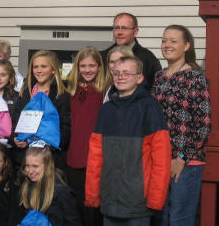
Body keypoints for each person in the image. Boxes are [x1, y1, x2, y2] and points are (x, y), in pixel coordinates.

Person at [86, 56, 171, 226]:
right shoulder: (106, 110)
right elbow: (95, 157)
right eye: (116, 73)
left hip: (138, 201)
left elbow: (161, 159)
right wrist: (92, 195)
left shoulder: (150, 107)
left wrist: (156, 199)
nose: (121, 77)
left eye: (126, 73)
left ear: (139, 78)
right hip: (110, 198)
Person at [152, 25, 211, 226]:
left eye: (173, 41)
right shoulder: (159, 77)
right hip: (160, 159)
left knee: (179, 218)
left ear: (186, 46)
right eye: (164, 40)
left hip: (186, 162)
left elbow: (203, 125)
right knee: (161, 217)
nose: (167, 45)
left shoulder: (195, 77)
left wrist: (182, 158)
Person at [65, 47, 106, 226]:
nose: (87, 70)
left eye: (92, 65)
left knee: (93, 210)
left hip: (96, 158)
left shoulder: (104, 92)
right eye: (83, 66)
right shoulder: (70, 92)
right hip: (74, 156)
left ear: (99, 67)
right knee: (76, 208)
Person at [12, 50, 71, 170]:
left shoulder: (62, 96)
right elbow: (15, 122)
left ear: (53, 70)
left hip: (50, 159)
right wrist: (15, 138)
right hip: (25, 158)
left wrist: (49, 143)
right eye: (35, 67)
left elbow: (65, 127)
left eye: (43, 66)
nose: (39, 70)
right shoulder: (25, 94)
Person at [13, 146, 81, 225]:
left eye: (35, 166)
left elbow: (74, 222)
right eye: (27, 166)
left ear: (48, 166)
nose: (30, 171)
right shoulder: (26, 187)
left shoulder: (62, 192)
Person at [101, 13, 161, 89]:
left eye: (124, 28)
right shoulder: (103, 57)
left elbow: (156, 89)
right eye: (116, 28)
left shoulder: (148, 59)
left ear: (135, 32)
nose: (119, 32)